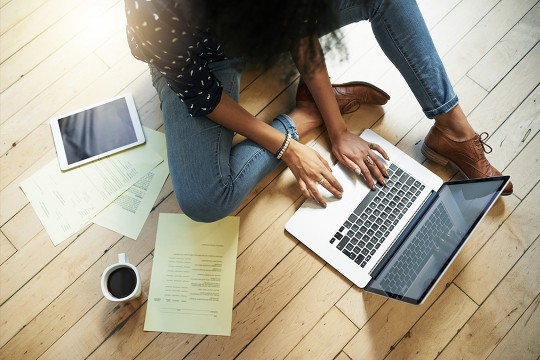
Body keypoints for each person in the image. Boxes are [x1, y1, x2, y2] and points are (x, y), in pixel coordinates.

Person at [124, 0, 512, 222]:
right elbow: (202, 95)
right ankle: (303, 114)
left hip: (254, 27)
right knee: (204, 201)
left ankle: (453, 129)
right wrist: (289, 145)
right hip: (202, 64)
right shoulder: (156, 11)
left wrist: (339, 130)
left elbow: (300, 27)